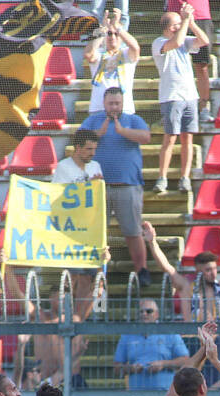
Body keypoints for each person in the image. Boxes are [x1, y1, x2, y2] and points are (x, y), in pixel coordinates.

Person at [81, 87, 152, 287]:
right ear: (104, 103)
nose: (114, 107)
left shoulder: (133, 120)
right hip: (98, 188)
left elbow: (146, 137)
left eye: (117, 103)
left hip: (127, 186)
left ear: (122, 103)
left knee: (132, 232)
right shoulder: (93, 121)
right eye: (111, 103)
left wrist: (123, 131)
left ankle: (142, 270)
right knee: (96, 232)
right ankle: (94, 270)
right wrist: (98, 133)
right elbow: (78, 141)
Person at [142, 221, 220, 324]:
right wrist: (153, 243)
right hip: (193, 340)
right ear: (198, 271)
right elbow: (166, 267)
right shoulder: (186, 287)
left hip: (217, 341)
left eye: (215, 269)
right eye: (208, 270)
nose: (213, 273)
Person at [152, 6, 209, 194]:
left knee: (187, 138)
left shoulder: (185, 40)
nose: (180, 26)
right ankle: (162, 178)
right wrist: (185, 21)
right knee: (170, 138)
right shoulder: (159, 43)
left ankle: (185, 178)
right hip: (171, 97)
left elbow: (204, 41)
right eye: (176, 23)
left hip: (190, 96)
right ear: (170, 27)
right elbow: (175, 43)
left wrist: (191, 21)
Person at [52, 129, 106, 323]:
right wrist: (86, 187)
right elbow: (59, 197)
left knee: (90, 276)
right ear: (77, 148)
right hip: (72, 230)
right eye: (89, 149)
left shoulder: (96, 166)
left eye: (94, 149)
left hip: (92, 229)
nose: (92, 153)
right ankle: (66, 314)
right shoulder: (63, 168)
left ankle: (81, 318)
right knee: (72, 275)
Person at [114, 298, 198, 389]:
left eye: (149, 311)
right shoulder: (127, 335)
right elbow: (117, 367)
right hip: (137, 395)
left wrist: (163, 364)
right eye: (141, 312)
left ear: (157, 314)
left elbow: (185, 360)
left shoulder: (169, 333)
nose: (144, 314)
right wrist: (131, 368)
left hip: (165, 394)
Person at [165, 0, 216, 124]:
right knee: (172, 64)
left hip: (199, 15)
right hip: (174, 17)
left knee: (202, 66)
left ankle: (203, 108)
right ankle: (171, 108)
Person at [84, 8, 140, 115]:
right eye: (109, 34)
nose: (113, 37)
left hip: (124, 109)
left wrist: (118, 27)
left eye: (116, 34)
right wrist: (103, 30)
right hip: (99, 109)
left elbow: (135, 48)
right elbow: (88, 54)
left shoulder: (126, 54)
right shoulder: (99, 53)